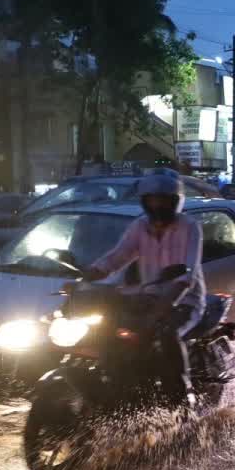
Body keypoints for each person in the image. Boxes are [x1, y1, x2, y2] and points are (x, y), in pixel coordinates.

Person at [82, 173, 204, 405]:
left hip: (185, 301)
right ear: (144, 201)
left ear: (175, 201)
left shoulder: (190, 227)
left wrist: (163, 307)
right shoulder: (139, 226)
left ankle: (182, 400)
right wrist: (92, 273)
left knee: (167, 334)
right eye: (152, 200)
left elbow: (186, 274)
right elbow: (118, 256)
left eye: (163, 200)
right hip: (148, 297)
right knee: (107, 327)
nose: (157, 205)